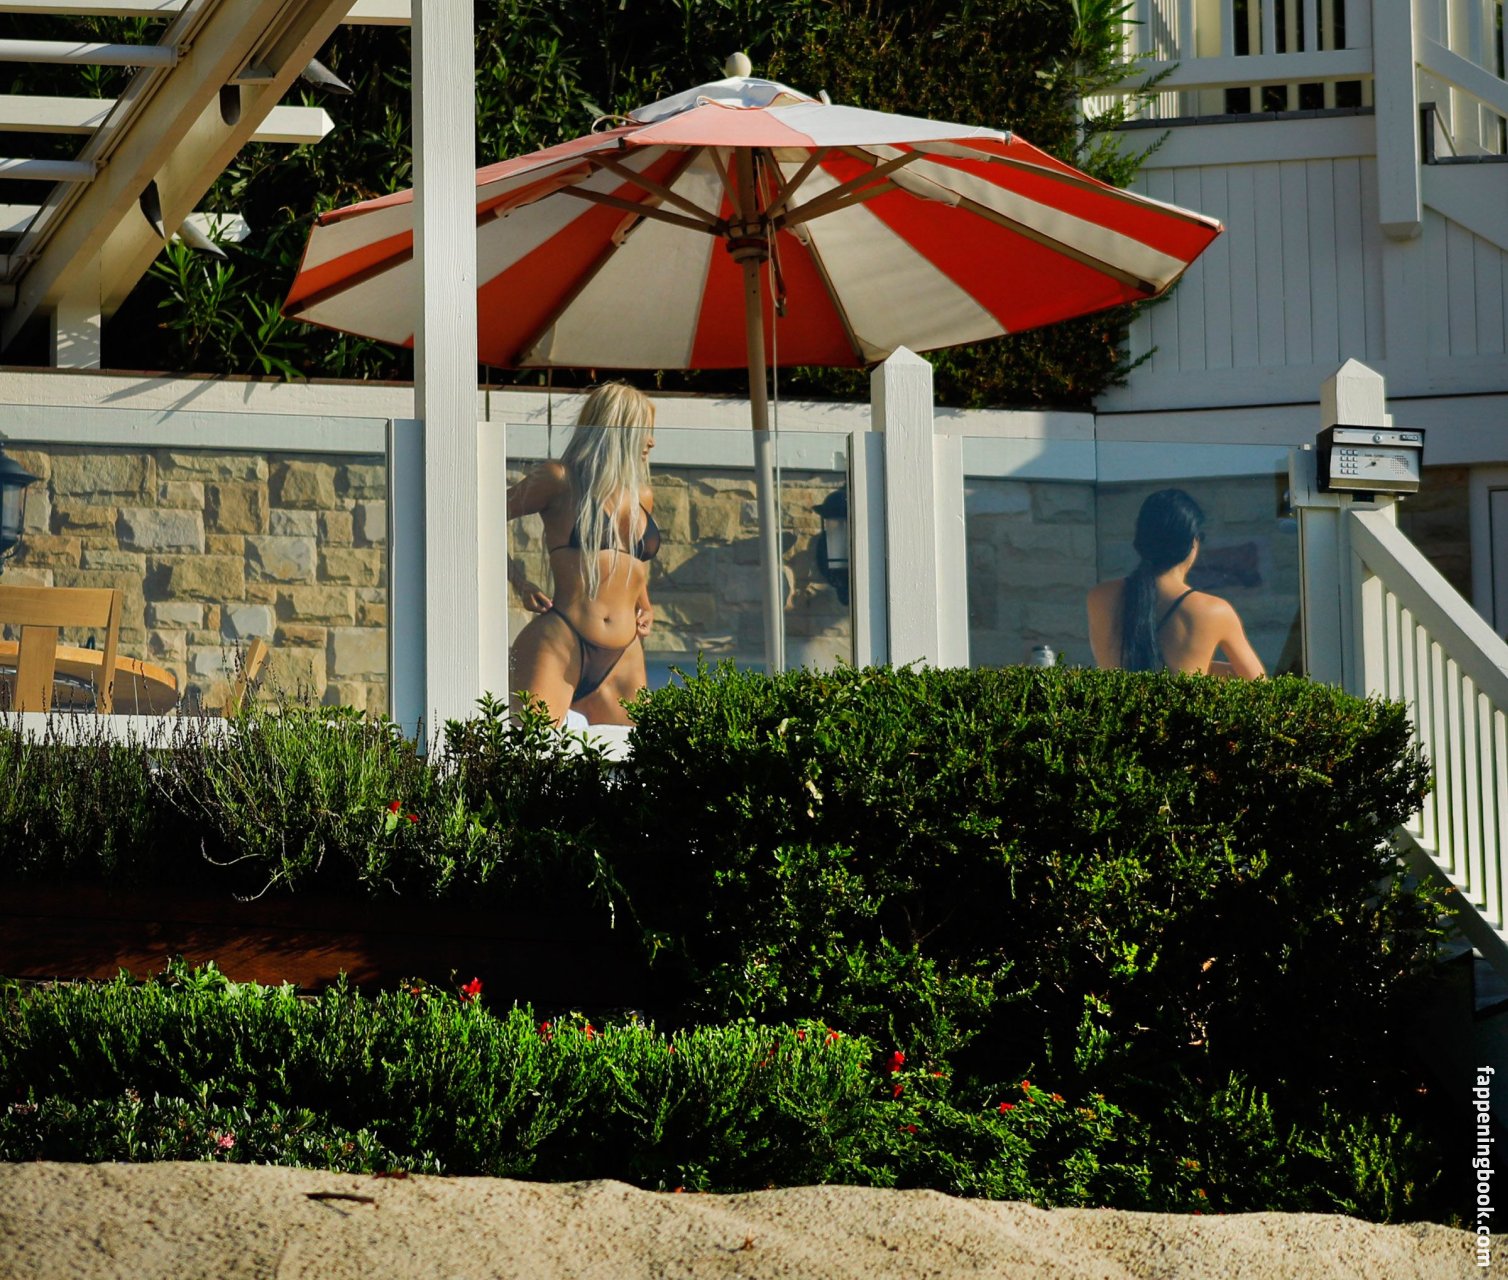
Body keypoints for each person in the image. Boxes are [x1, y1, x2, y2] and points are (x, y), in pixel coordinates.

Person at [506, 382, 658, 725]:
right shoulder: (559, 479)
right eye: (645, 430)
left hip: (625, 652)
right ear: (618, 428)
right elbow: (480, 516)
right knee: (530, 750)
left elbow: (633, 564)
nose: (651, 441)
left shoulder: (642, 496)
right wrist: (519, 582)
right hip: (562, 638)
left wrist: (645, 605)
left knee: (638, 755)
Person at [1086, 488, 1265, 678]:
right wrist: (1200, 668)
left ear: (1141, 538)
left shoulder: (1100, 597)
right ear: (1193, 542)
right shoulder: (1214, 611)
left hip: (1116, 698)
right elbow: (1258, 683)